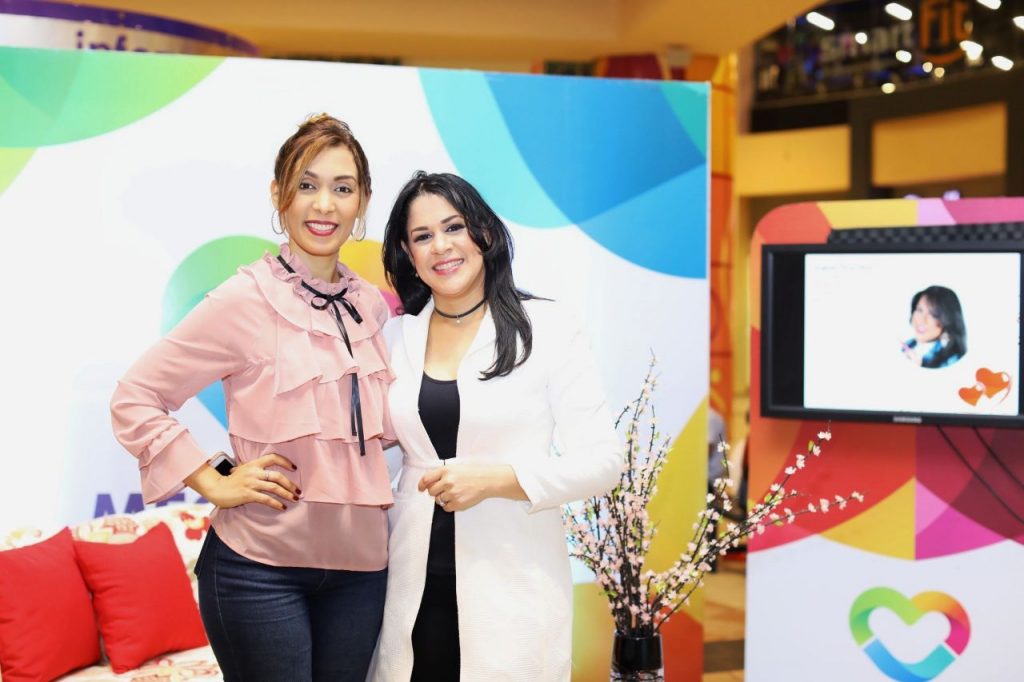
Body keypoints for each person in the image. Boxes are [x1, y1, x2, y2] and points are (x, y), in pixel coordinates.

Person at [110, 114, 394, 681]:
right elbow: (135, 396)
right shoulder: (245, 298)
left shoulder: (371, 306)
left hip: (362, 574)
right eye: (307, 185)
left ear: (363, 202)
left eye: (343, 188)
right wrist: (213, 478)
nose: (324, 205)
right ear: (278, 194)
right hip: (259, 573)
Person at [368, 172, 622, 681]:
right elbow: (376, 451)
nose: (442, 246)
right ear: (408, 254)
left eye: (454, 227)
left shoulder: (547, 328)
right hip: (410, 582)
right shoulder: (394, 337)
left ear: (483, 232)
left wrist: (498, 479)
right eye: (423, 236)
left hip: (512, 586)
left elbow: (604, 462)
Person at [901, 285, 967, 369]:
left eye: (934, 315)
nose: (922, 320)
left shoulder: (952, 361)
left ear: (948, 320)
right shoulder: (908, 345)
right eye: (920, 310)